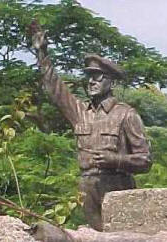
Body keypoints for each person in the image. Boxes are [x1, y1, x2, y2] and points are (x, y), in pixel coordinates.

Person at [31, 27, 152, 231]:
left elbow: (145, 160)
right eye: (89, 76)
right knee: (93, 235)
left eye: (98, 76)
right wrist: (42, 54)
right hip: (87, 188)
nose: (91, 81)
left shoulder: (126, 114)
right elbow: (54, 88)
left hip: (117, 186)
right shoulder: (80, 112)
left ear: (110, 81)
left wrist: (115, 160)